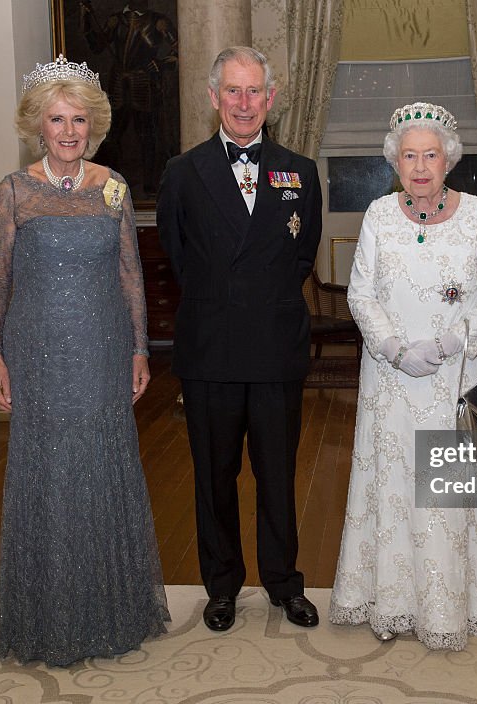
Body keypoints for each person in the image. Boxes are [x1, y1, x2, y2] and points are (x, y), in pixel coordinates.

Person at [0, 54, 169, 666]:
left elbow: (130, 274)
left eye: (79, 121)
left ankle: (113, 611)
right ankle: (46, 618)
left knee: (101, 469)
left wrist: (140, 347)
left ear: (94, 126)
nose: (68, 132)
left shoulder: (112, 186)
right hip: (36, 356)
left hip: (102, 352)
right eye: (57, 120)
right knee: (49, 476)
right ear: (39, 125)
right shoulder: (14, 190)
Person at [329, 102, 477, 650]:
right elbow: (360, 291)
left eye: (430, 154)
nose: (420, 166)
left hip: (458, 379)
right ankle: (392, 603)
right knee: (393, 488)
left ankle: (454, 607)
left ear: (448, 159)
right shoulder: (379, 216)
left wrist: (456, 339)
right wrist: (391, 347)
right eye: (409, 155)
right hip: (391, 382)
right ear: (396, 161)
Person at [157, 46, 322, 632]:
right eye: (233, 91)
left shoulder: (299, 171)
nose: (245, 102)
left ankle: (283, 583)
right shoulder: (183, 172)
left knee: (278, 476)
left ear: (270, 98)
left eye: (255, 91)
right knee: (214, 478)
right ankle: (221, 586)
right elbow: (179, 257)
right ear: (213, 97)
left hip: (276, 348)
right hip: (211, 351)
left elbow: (302, 256)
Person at [80, 0, 179, 196]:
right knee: (112, 136)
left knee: (148, 136)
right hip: (118, 83)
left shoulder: (158, 22)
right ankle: (110, 183)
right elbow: (98, 46)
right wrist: (87, 19)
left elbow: (179, 49)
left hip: (144, 84)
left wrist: (161, 63)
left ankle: (151, 185)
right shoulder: (116, 21)